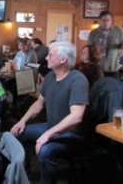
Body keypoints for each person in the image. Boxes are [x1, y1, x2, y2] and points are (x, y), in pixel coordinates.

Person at [9, 41, 89, 184]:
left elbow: (76, 117)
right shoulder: (51, 77)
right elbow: (39, 103)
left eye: (51, 55)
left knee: (45, 151)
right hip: (51, 126)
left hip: (72, 134)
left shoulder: (78, 80)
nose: (46, 58)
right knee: (16, 133)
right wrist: (22, 121)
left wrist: (47, 135)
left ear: (63, 60)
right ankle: (25, 177)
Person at [87, 11, 123, 79]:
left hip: (113, 67)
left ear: (111, 20)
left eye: (108, 20)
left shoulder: (119, 31)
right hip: (98, 67)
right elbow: (88, 48)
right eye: (103, 20)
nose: (106, 22)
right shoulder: (93, 33)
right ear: (100, 20)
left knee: (114, 88)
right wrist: (95, 49)